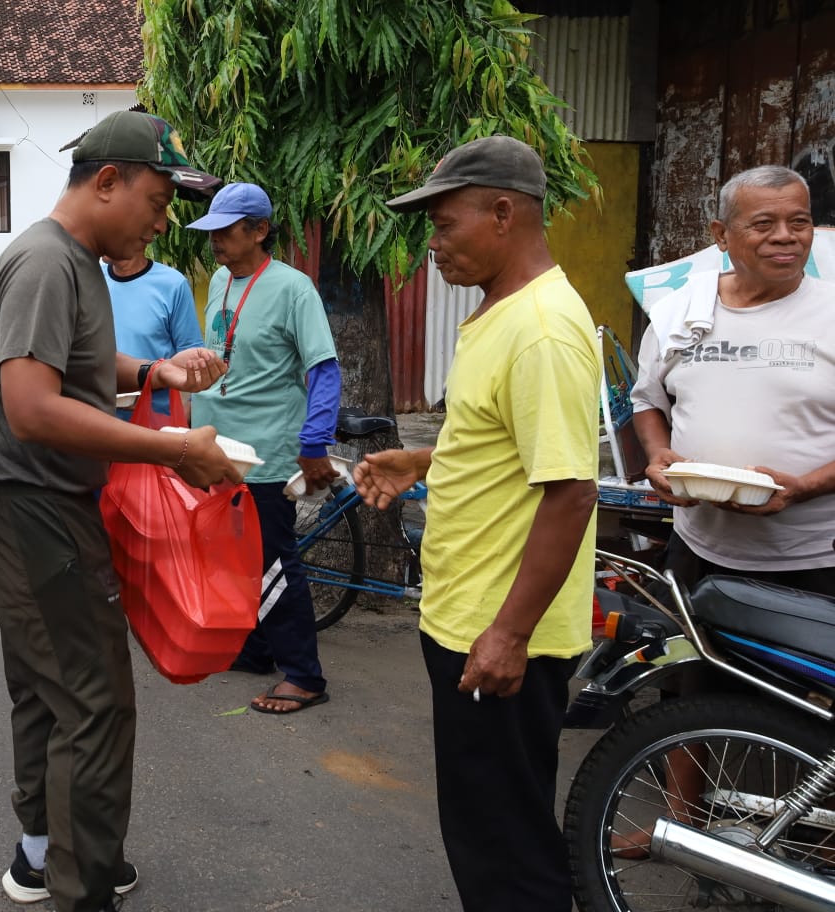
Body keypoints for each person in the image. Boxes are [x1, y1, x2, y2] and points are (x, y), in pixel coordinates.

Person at [0, 110, 241, 912]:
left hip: (30, 500)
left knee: (52, 688)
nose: (164, 219)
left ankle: (49, 849)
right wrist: (177, 451)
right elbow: (32, 406)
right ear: (107, 181)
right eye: (157, 199)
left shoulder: (74, 260)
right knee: (94, 700)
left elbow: (73, 358)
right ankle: (82, 886)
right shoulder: (49, 262)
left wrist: (156, 371)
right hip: (31, 505)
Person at [353, 135, 599, 911]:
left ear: (502, 212)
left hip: (498, 629)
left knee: (507, 850)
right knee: (482, 826)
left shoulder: (543, 332)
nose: (433, 244)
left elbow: (570, 493)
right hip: (464, 617)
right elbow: (505, 447)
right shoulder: (500, 314)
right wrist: (423, 463)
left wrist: (509, 633)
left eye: (445, 223)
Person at [617, 164, 835, 856]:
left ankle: (814, 848)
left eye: (797, 222)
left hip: (815, 554)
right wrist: (655, 456)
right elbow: (647, 399)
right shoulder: (684, 312)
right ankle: (681, 827)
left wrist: (802, 488)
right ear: (720, 235)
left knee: (815, 705)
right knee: (689, 687)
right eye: (763, 223)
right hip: (702, 544)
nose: (785, 237)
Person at [186, 181, 341, 714]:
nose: (215, 243)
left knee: (274, 562)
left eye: (225, 232)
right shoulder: (225, 282)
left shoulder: (293, 288)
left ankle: (304, 676)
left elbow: (323, 368)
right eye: (211, 234)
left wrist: (314, 439)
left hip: (267, 452)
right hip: (221, 450)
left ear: (258, 230)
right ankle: (255, 651)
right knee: (234, 557)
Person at [102, 241, 203, 423]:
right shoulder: (91, 279)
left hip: (154, 419)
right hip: (99, 416)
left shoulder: (172, 284)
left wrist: (186, 415)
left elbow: (193, 356)